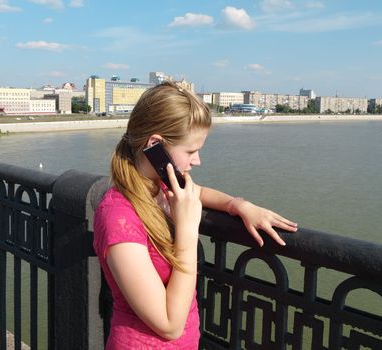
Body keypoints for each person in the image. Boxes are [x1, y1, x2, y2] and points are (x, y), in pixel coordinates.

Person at [93, 81, 297, 349]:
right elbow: (168, 325)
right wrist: (187, 232)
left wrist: (239, 206)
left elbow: (197, 192)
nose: (197, 160)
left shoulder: (161, 185)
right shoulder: (118, 216)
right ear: (154, 145)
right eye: (191, 151)